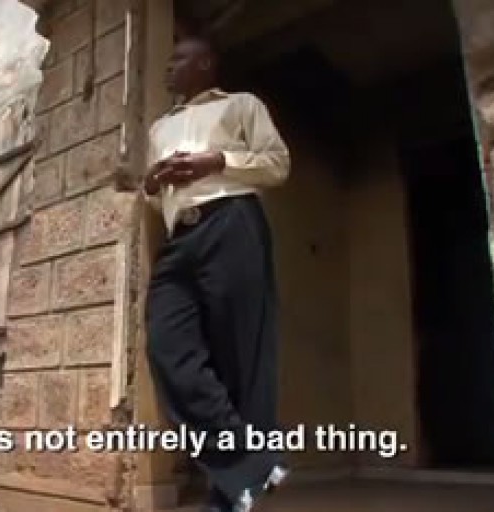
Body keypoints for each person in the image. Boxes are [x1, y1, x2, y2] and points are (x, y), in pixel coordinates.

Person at [142, 31, 291, 512]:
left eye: (177, 60)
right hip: (178, 237)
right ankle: (253, 463)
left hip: (232, 221)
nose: (168, 68)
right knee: (167, 346)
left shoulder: (243, 105)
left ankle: (228, 495)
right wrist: (152, 181)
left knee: (238, 357)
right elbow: (153, 195)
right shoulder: (159, 130)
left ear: (205, 64)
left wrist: (218, 160)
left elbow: (277, 165)